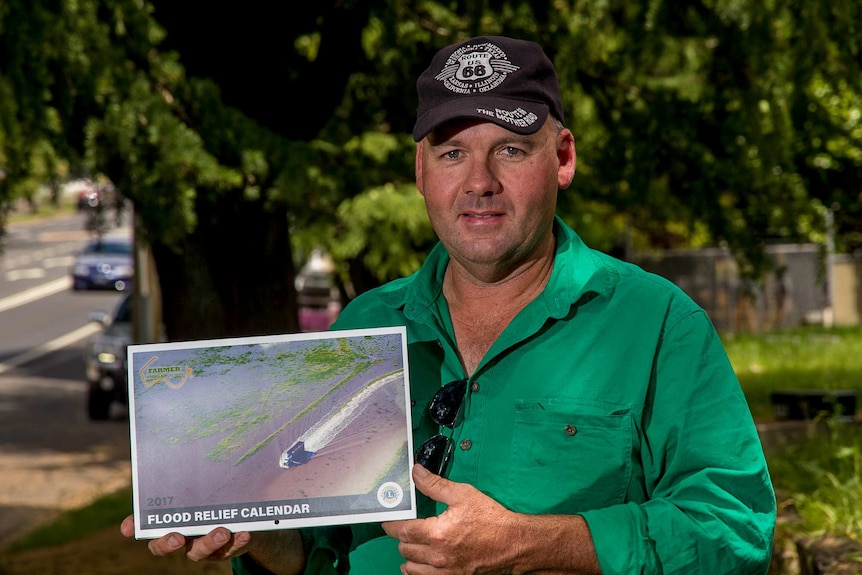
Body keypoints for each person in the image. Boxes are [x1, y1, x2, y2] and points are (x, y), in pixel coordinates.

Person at [121, 35, 776, 574]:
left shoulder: (657, 323)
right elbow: (320, 552)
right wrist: (258, 532)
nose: (479, 182)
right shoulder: (363, 326)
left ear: (563, 157)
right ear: (420, 172)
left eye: (511, 150)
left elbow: (734, 530)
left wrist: (538, 544)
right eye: (452, 152)